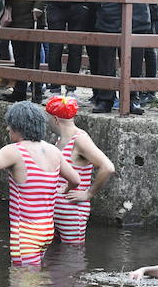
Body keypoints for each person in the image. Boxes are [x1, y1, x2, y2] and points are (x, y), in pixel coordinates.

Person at [0, 100, 80, 265]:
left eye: (9, 125)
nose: (7, 129)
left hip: (26, 233)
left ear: (18, 127)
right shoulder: (53, 151)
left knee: (23, 284)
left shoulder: (15, 151)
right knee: (35, 282)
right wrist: (65, 188)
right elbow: (75, 180)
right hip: (47, 230)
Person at [45, 96, 115, 243]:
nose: (47, 121)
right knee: (55, 256)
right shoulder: (61, 139)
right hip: (57, 209)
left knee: (73, 256)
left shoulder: (80, 139)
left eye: (48, 117)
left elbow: (107, 167)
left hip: (73, 211)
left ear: (56, 119)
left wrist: (88, 194)